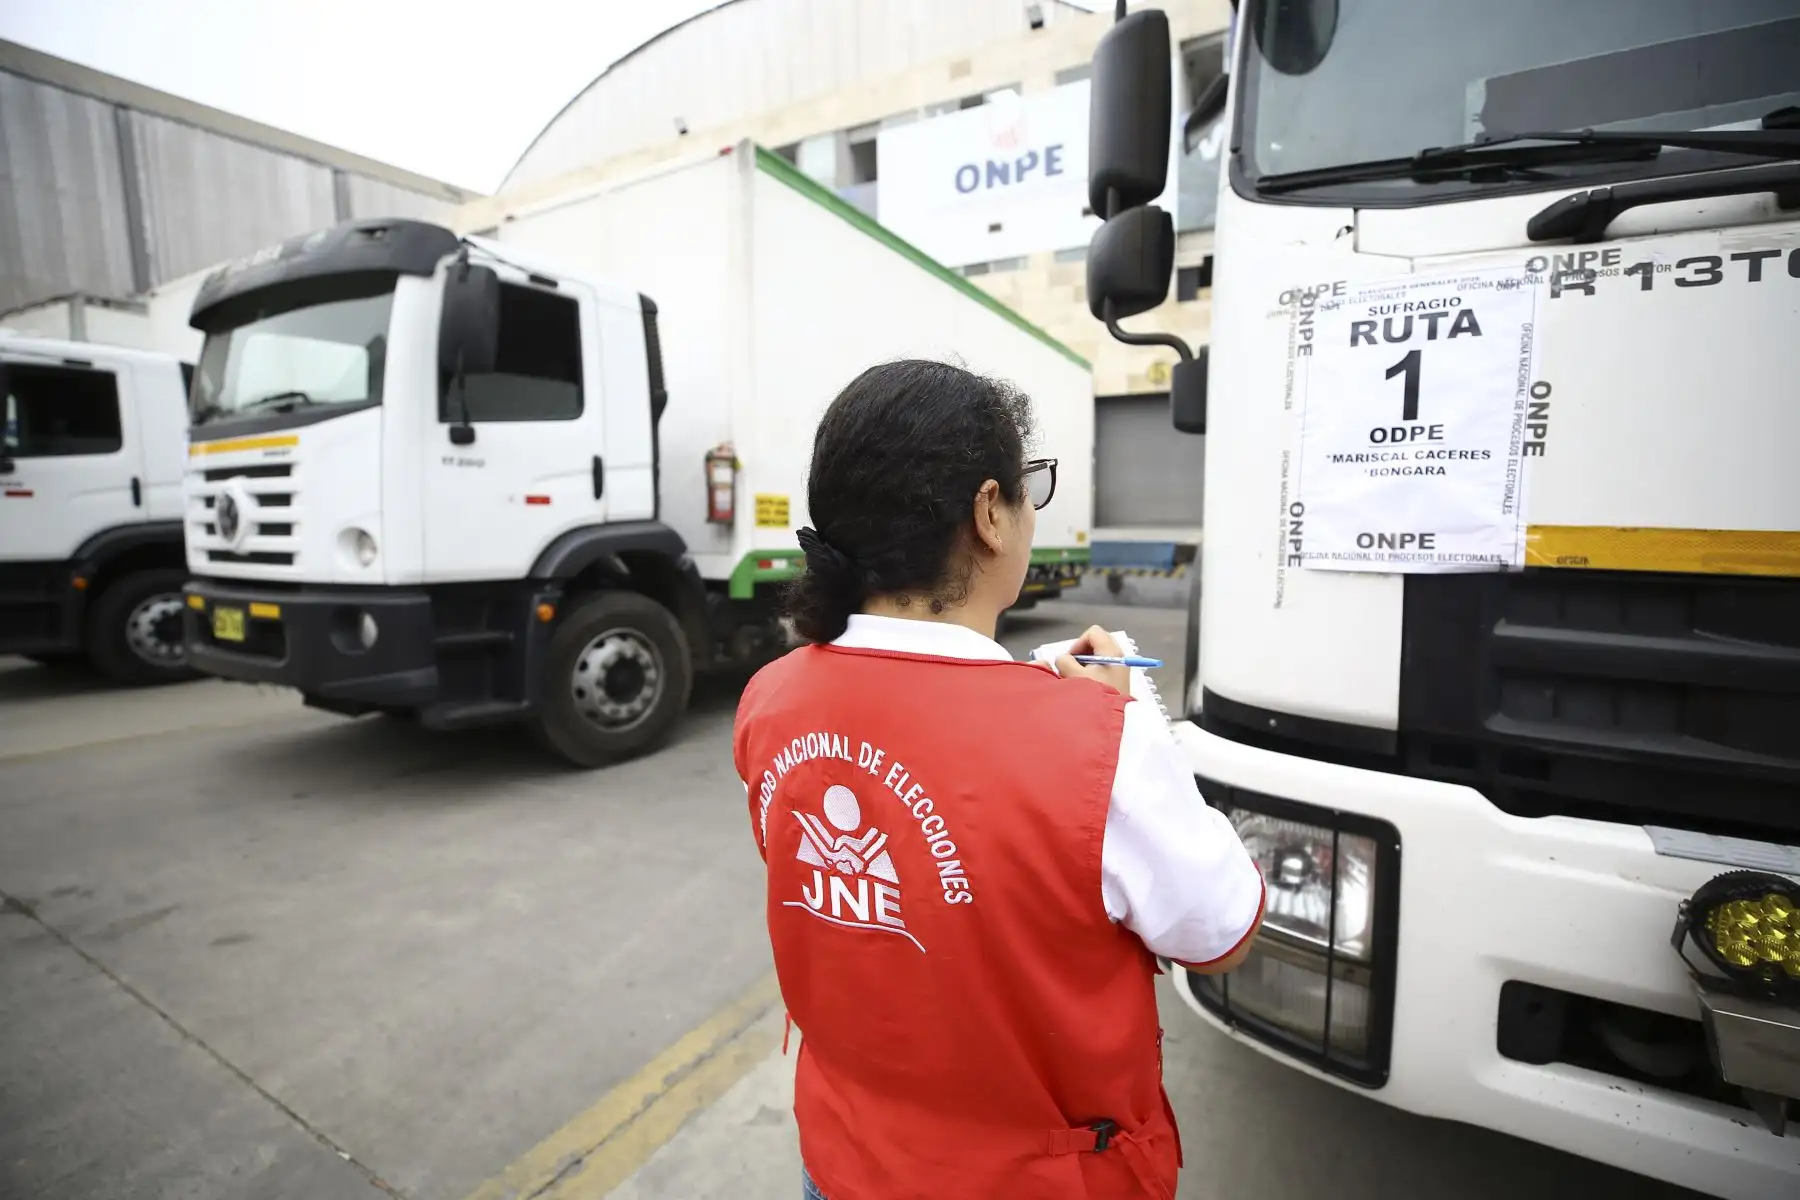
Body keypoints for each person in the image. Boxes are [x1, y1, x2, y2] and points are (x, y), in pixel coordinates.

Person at [733, 360, 1265, 1200]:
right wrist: (1134, 726)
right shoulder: (1097, 739)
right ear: (989, 513)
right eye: (1030, 490)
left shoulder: (771, 699)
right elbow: (1219, 931)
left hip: (840, 1158)